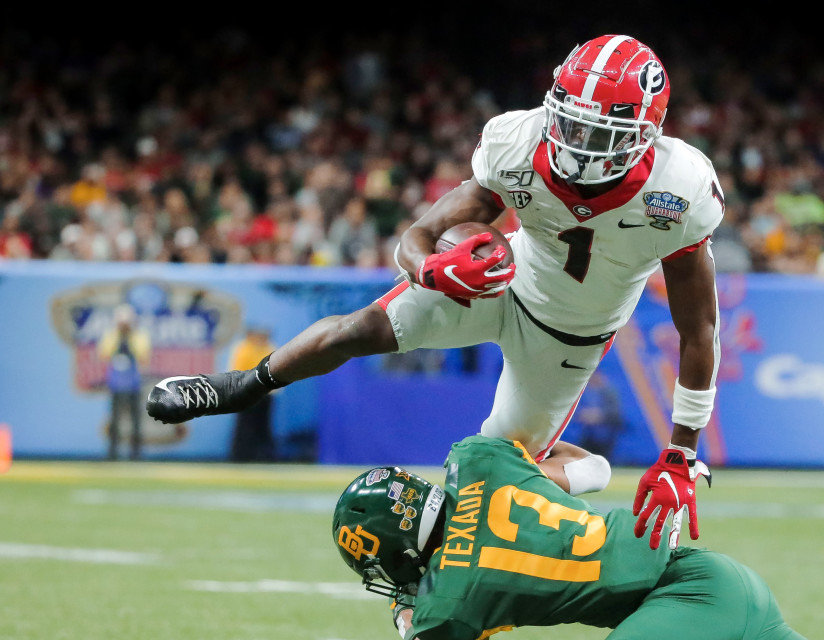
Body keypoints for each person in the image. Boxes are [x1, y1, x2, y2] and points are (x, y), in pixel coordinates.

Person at [147, 34, 724, 549]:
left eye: (598, 133)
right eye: (570, 123)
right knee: (358, 329)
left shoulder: (680, 190)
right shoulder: (517, 141)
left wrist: (681, 452)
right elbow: (417, 236)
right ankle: (244, 386)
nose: (577, 143)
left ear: (645, 135)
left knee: (488, 483)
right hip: (501, 280)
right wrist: (431, 271)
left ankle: (587, 470)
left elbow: (697, 330)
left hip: (572, 333)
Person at [331, 434, 824, 640]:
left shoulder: (451, 595)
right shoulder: (478, 462)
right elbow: (590, 468)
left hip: (685, 601)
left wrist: (403, 611)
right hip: (722, 581)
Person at [98, 304, 151, 460]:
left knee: (136, 421)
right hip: (116, 383)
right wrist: (118, 335)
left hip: (134, 383)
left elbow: (143, 354)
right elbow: (104, 353)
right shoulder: (112, 335)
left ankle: (135, 453)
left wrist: (130, 335)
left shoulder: (139, 336)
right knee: (115, 420)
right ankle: (113, 452)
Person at [227, 325, 277, 462]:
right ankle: (241, 456)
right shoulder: (244, 349)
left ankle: (264, 457)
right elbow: (237, 371)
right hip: (247, 392)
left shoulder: (269, 348)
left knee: (263, 426)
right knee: (245, 425)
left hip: (266, 393)